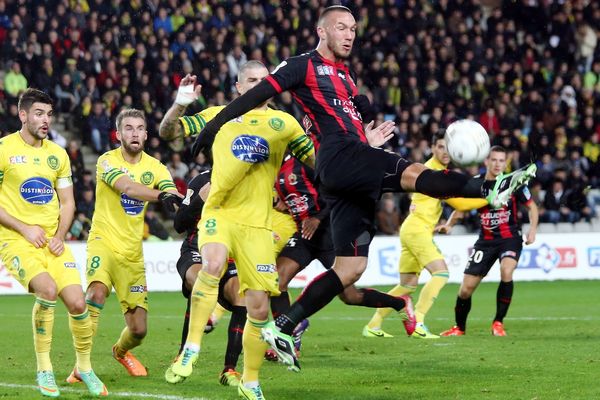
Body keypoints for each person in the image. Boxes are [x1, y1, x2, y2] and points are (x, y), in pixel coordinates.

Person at [188, 5, 536, 369]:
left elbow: (356, 111)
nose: (350, 34)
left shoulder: (346, 75)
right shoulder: (300, 65)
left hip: (347, 167)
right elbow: (252, 98)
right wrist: (213, 127)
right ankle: (488, 188)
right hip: (339, 156)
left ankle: (285, 327)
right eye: (341, 28)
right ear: (322, 32)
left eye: (353, 28)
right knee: (411, 171)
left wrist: (365, 130)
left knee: (350, 269)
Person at [159, 60, 317, 399]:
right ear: (238, 86)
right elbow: (168, 133)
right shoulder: (220, 114)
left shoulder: (283, 123)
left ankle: (250, 379)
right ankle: (191, 348)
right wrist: (180, 104)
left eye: (265, 81)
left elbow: (318, 162)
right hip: (221, 212)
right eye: (252, 80)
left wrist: (358, 145)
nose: (259, 86)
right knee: (212, 265)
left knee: (257, 306)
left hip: (258, 225)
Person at [0, 88, 107, 397]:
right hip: (16, 240)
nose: (45, 120)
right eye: (38, 114)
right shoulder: (4, 149)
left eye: (48, 114)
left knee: (78, 302)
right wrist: (24, 228)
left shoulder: (57, 154)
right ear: (22, 115)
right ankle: (45, 368)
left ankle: (84, 367)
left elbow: (68, 203)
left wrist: (60, 235)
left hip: (52, 241)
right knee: (46, 289)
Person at [69, 108, 182, 380]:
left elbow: (172, 194)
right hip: (103, 241)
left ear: (146, 133)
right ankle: (81, 366)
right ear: (118, 134)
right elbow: (129, 188)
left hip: (132, 253)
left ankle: (120, 352)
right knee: (95, 293)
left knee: (139, 330)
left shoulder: (156, 168)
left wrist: (186, 202)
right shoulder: (106, 161)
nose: (134, 132)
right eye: (128, 128)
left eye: (139, 128)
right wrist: (161, 196)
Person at [364, 131, 488, 339]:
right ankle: (418, 321)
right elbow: (460, 203)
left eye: (448, 147)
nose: (445, 151)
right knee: (441, 274)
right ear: (432, 148)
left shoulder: (435, 171)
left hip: (413, 228)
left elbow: (453, 205)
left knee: (406, 285)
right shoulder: (432, 171)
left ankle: (373, 325)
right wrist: (489, 198)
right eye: (440, 146)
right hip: (417, 230)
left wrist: (447, 223)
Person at [439, 146, 538, 337]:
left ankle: (498, 323)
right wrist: (449, 224)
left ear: (505, 162)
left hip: (510, 238)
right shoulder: (476, 184)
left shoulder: (513, 182)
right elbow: (462, 208)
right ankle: (459, 328)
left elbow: (532, 207)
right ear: (486, 161)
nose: (498, 164)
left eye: (502, 160)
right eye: (494, 160)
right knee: (465, 290)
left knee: (506, 270)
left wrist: (532, 230)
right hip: (485, 242)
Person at [164, 169, 247, 387]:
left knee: (242, 296)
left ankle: (230, 370)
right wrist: (200, 198)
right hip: (195, 250)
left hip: (230, 255)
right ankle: (184, 354)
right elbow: (179, 223)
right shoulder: (201, 180)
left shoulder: (247, 178)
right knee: (201, 277)